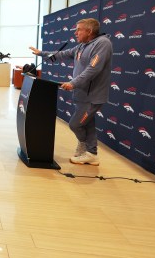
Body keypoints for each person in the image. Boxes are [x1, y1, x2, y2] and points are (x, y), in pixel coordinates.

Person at [29, 18, 112, 166]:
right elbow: (63, 54)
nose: (75, 33)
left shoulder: (102, 44)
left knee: (75, 124)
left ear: (89, 31)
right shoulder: (82, 46)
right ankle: (91, 153)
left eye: (79, 29)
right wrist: (41, 53)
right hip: (81, 95)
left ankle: (85, 147)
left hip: (93, 96)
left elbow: (93, 69)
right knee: (88, 125)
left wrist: (73, 83)